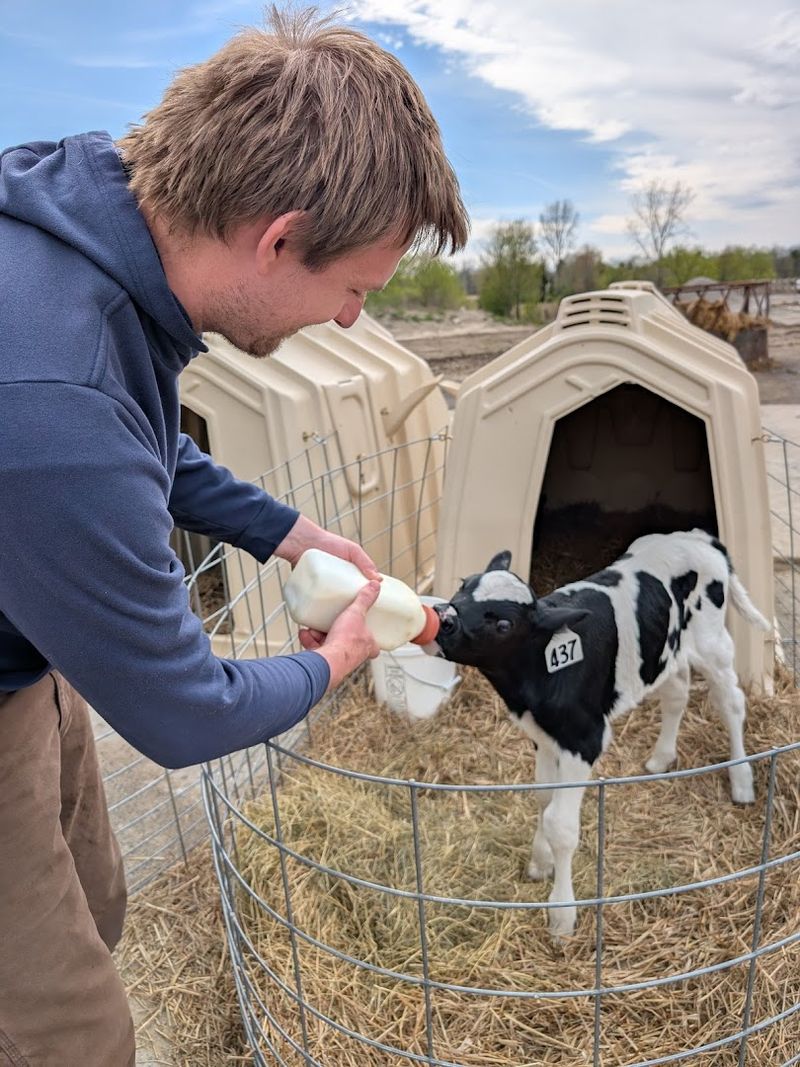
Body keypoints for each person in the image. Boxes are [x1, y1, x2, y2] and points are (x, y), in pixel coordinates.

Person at [0, 6, 469, 1064]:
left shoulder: (93, 236)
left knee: (95, 895)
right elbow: (180, 712)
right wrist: (331, 663)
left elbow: (142, 436)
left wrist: (283, 530)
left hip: (21, 642)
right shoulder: (48, 402)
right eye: (353, 288)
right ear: (276, 238)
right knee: (72, 1032)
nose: (353, 321)